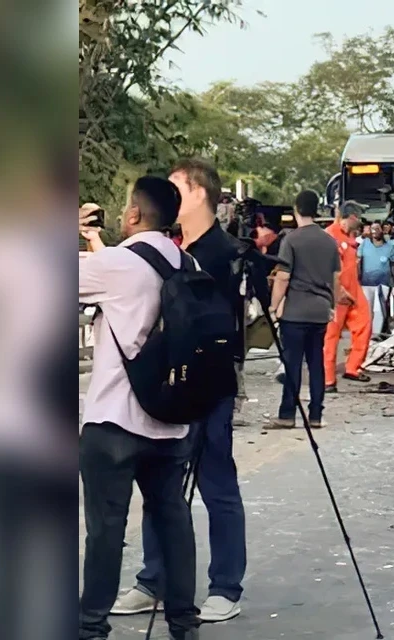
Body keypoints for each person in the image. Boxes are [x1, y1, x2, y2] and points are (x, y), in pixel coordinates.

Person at [109, 159, 248, 625]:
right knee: (161, 482)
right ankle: (155, 579)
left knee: (215, 481)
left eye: (176, 189)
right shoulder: (168, 249)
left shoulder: (223, 252)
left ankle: (226, 585)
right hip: (167, 381)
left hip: (210, 383)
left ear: (198, 194)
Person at [79, 177, 202, 640]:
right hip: (171, 420)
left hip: (114, 421)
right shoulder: (185, 262)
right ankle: (183, 623)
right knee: (173, 519)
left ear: (133, 214)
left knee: (106, 530)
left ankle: (91, 626)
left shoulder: (116, 264)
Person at [267, 191, 343, 429]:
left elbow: (283, 277)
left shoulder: (291, 239)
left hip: (295, 312)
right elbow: (336, 278)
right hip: (320, 312)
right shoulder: (329, 240)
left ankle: (288, 414)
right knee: (316, 362)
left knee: (292, 363)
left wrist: (273, 305)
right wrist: (331, 305)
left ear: (296, 209)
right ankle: (316, 415)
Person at [323, 202, 372, 390]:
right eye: (358, 219)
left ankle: (353, 367)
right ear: (351, 217)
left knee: (365, 323)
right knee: (331, 336)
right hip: (337, 291)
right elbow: (329, 268)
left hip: (354, 288)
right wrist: (338, 291)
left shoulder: (349, 237)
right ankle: (328, 379)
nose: (360, 224)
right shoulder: (330, 236)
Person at [359, 222, 394, 339]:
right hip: (366, 283)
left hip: (383, 284)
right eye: (372, 229)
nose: (374, 231)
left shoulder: (390, 246)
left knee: (379, 311)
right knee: (366, 311)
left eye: (377, 228)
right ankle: (365, 335)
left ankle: (375, 335)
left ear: (382, 230)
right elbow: (358, 261)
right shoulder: (365, 244)